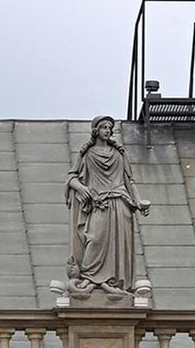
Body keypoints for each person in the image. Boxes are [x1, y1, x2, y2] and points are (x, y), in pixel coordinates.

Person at [66, 115, 151, 295]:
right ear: (96, 130)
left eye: (110, 128)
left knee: (118, 245)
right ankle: (89, 277)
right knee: (95, 238)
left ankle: (114, 283)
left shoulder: (119, 154)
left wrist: (138, 201)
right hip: (99, 204)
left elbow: (129, 181)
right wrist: (81, 188)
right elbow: (72, 178)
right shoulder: (87, 154)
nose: (108, 131)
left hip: (120, 204)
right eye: (104, 127)